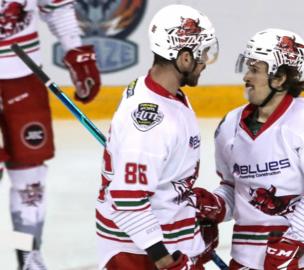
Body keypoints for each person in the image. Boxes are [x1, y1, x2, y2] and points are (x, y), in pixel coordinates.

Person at [193, 28, 304, 269]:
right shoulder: (229, 126)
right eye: (248, 68)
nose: (246, 77)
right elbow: (235, 190)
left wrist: (292, 241)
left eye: (255, 70)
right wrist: (215, 206)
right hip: (246, 260)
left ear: (280, 77)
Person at [95, 4, 219, 270]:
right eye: (203, 54)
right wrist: (166, 260)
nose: (205, 63)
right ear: (184, 58)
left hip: (167, 242)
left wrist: (190, 231)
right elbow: (127, 198)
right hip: (142, 255)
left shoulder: (160, 92)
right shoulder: (150, 122)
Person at [0, 0, 101, 269]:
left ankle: (26, 255)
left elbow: (56, 7)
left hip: (23, 73)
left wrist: (75, 49)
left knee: (29, 181)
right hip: (22, 69)